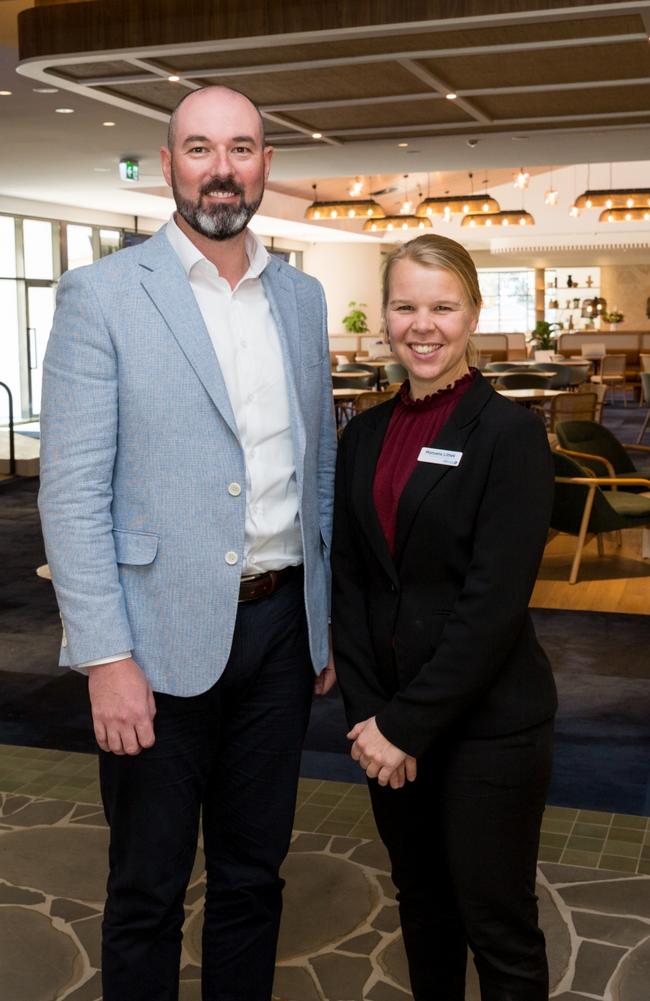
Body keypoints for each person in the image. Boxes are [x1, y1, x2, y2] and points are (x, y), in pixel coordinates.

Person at [38, 85, 337, 1001]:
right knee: (146, 890)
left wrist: (320, 621)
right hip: (153, 645)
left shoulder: (303, 297)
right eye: (200, 149)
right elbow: (73, 490)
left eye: (241, 148)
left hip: (281, 633)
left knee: (254, 879)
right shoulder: (102, 295)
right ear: (168, 165)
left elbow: (316, 461)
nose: (222, 168)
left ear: (266, 166)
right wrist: (105, 656)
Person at [332, 233, 556, 1001]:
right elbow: (352, 582)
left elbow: (492, 606)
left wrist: (405, 726)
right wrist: (369, 717)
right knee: (423, 911)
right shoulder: (361, 434)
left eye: (442, 306)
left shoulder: (510, 435)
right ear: (385, 317)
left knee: (497, 925)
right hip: (389, 729)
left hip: (488, 727)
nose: (422, 325)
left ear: (473, 314)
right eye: (405, 306)